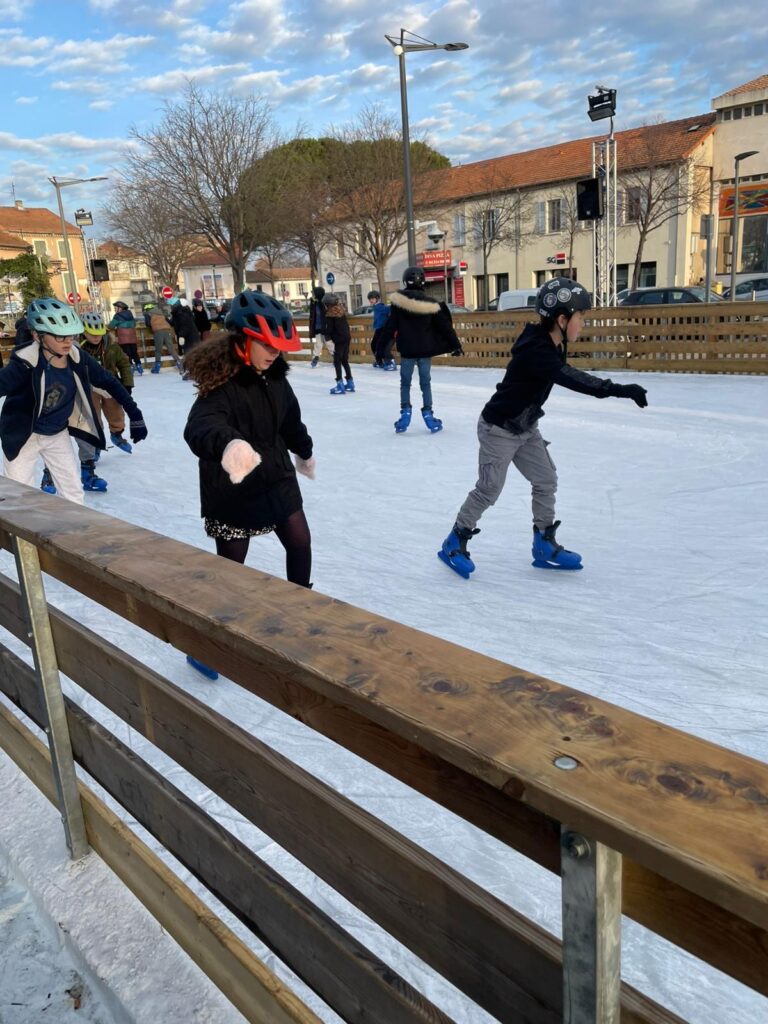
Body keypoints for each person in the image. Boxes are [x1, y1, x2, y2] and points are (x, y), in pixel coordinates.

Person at [438, 277, 648, 578]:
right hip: (499, 428)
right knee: (489, 490)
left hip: (526, 427)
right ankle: (453, 540)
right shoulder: (538, 350)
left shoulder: (553, 343)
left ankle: (543, 543)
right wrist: (620, 389)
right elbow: (574, 379)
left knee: (546, 479)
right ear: (562, 319)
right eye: (581, 317)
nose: (583, 324)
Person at [183, 289, 315, 679]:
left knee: (299, 541)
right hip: (234, 485)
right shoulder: (221, 383)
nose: (274, 353)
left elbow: (290, 421)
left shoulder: (276, 378)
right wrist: (230, 445)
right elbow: (200, 427)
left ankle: (300, 609)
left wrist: (304, 451)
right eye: (266, 344)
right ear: (242, 338)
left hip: (276, 476)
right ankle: (210, 641)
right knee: (232, 568)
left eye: (278, 346)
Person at [0, 298, 147, 504]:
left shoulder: (77, 357)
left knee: (73, 494)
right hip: (24, 435)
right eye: (60, 337)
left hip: (57, 433)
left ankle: (73, 536)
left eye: (70, 335)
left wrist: (135, 414)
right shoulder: (24, 365)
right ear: (37, 336)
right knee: (20, 497)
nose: (68, 341)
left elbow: (109, 382)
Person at [375, 266, 463, 434]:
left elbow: (389, 328)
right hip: (425, 351)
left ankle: (405, 413)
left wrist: (380, 350)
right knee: (425, 383)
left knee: (405, 383)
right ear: (422, 282)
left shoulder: (398, 304)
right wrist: (456, 345)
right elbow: (445, 327)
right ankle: (428, 413)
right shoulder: (430, 304)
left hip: (407, 351)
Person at [323, 293, 354, 394]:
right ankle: (350, 382)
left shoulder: (330, 315)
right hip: (346, 337)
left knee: (337, 361)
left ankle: (340, 384)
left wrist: (326, 333)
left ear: (328, 304)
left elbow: (330, 329)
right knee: (345, 360)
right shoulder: (341, 311)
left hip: (339, 339)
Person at [143, 301, 183, 374]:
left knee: (158, 349)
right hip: (167, 330)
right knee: (171, 348)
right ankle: (179, 365)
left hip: (158, 331)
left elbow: (148, 324)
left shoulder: (147, 314)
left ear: (146, 309)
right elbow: (169, 322)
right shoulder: (161, 313)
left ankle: (157, 367)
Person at [108, 300, 143, 375]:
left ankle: (130, 366)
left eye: (115, 308)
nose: (114, 309)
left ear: (120, 308)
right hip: (132, 337)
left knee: (126, 353)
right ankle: (139, 365)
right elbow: (134, 324)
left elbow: (111, 326)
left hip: (123, 338)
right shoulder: (130, 315)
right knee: (134, 352)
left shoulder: (117, 316)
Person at [308, 285, 334, 368]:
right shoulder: (314, 303)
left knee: (328, 342)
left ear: (318, 294)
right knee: (318, 343)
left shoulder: (324, 303)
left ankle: (336, 357)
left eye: (314, 294)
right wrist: (312, 301)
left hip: (325, 327)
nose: (312, 295)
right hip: (317, 327)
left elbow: (328, 314)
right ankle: (315, 357)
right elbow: (312, 314)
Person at [368, 290, 394, 370]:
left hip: (382, 329)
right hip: (378, 329)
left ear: (377, 299)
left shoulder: (380, 306)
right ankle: (379, 361)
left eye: (373, 298)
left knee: (379, 346)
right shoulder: (376, 307)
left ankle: (386, 362)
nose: (371, 300)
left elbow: (389, 309)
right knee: (373, 345)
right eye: (370, 299)